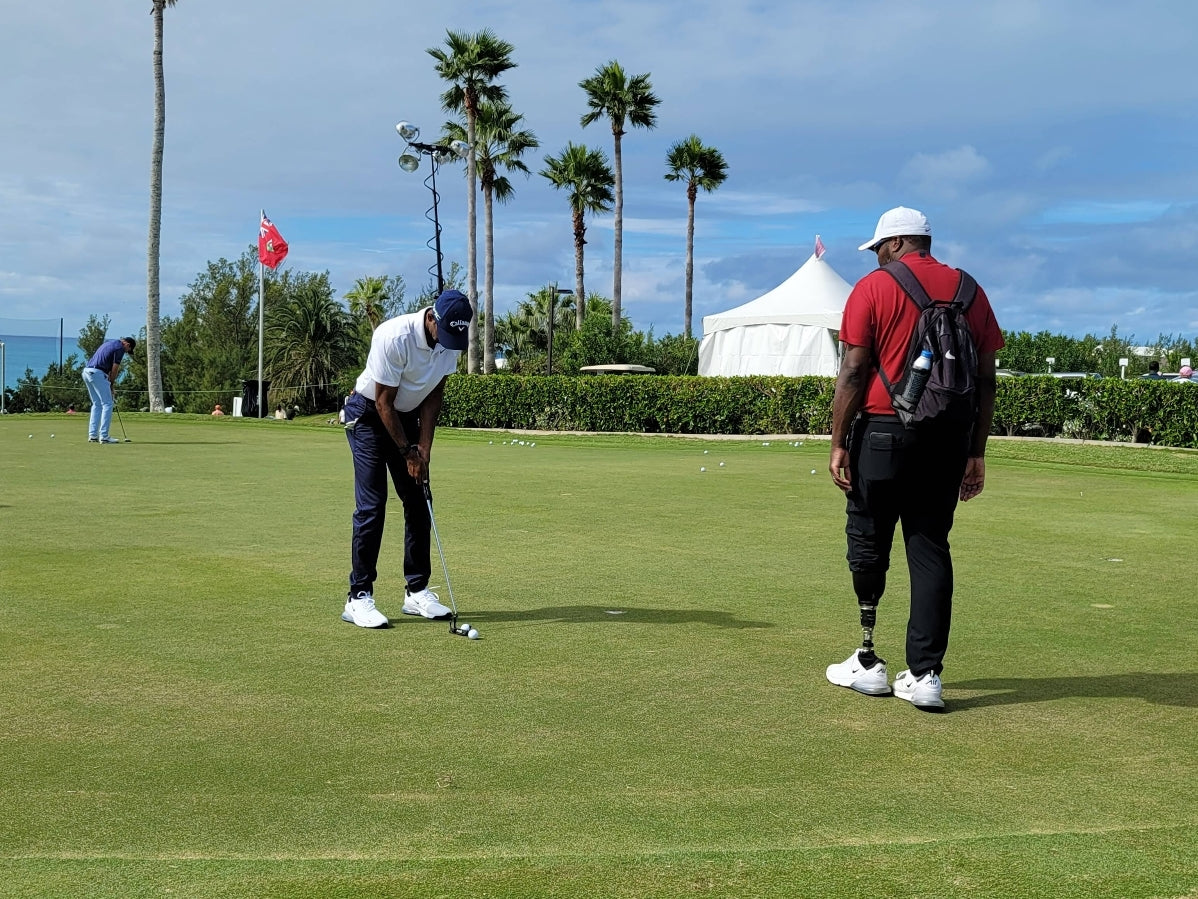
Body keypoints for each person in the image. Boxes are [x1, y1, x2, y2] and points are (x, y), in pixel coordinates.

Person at [825, 207, 1004, 710]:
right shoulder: (970, 290)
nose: (877, 256)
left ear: (898, 242)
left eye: (880, 247)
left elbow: (854, 373)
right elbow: (986, 379)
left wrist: (838, 440)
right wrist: (976, 451)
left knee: (868, 541)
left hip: (882, 434)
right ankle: (925, 675)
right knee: (929, 549)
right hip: (947, 440)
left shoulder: (873, 288)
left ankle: (867, 661)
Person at [340, 289, 474, 628]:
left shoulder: (450, 341)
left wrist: (424, 449)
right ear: (431, 319)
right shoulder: (393, 335)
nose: (448, 342)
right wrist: (406, 452)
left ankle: (416, 591)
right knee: (373, 504)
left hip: (408, 415)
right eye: (444, 333)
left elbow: (434, 397)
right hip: (370, 414)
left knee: (418, 500)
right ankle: (359, 597)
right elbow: (384, 402)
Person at [82, 336, 135, 443]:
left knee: (97, 403)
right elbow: (115, 368)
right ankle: (104, 436)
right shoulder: (120, 348)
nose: (126, 352)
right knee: (107, 403)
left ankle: (93, 436)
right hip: (97, 373)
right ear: (127, 345)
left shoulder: (109, 343)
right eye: (128, 351)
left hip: (87, 372)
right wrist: (111, 384)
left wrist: (109, 383)